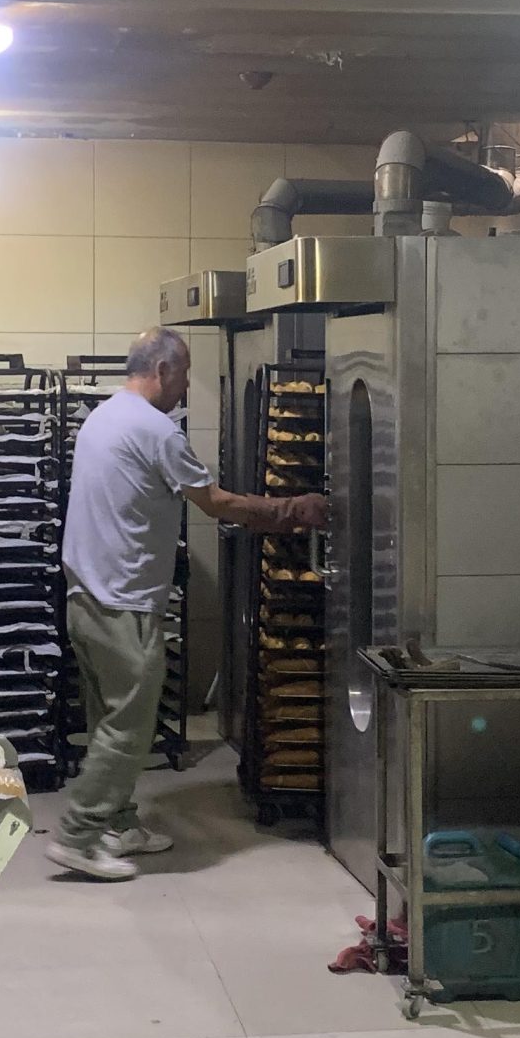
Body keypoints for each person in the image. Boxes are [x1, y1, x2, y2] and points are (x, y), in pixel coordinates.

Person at [50, 326, 327, 878]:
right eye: (184, 374)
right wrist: (292, 510)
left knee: (111, 720)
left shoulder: (102, 417)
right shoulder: (156, 430)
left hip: (86, 597)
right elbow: (217, 503)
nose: (185, 386)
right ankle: (78, 834)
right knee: (129, 728)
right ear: (162, 370)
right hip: (123, 603)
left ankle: (118, 823)